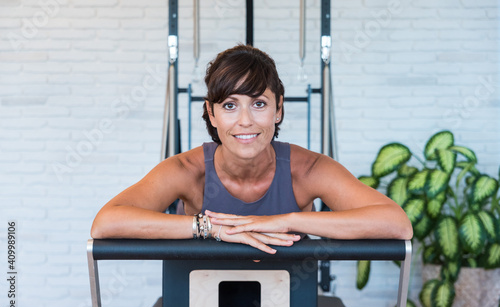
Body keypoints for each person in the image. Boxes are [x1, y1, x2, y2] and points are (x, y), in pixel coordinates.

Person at [91, 44, 412, 254]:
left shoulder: (308, 169)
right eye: (230, 105)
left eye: (259, 103)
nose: (245, 121)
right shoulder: (186, 171)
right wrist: (209, 227)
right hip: (200, 300)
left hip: (285, 302)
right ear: (211, 113)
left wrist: (287, 220)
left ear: (279, 110)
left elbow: (395, 223)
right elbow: (107, 222)